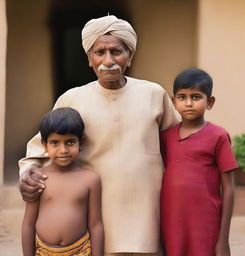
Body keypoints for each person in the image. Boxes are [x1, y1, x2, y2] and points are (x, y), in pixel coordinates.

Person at [19, 15, 180, 255]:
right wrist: (28, 173)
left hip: (146, 211)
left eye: (116, 51)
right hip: (97, 213)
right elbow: (41, 147)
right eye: (100, 52)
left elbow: (179, 144)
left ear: (130, 56)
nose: (108, 60)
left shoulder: (154, 94)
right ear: (89, 59)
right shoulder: (72, 99)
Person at [160, 68, 238, 256]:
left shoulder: (218, 136)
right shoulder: (165, 137)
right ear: (173, 102)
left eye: (196, 97)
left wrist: (223, 239)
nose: (188, 103)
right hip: (172, 221)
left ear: (209, 102)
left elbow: (228, 188)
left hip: (206, 223)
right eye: (182, 97)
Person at [21, 107, 103, 256]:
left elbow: (95, 224)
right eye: (55, 143)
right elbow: (28, 224)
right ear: (45, 145)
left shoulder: (91, 179)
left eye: (70, 142)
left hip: (81, 250)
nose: (63, 150)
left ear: (81, 142)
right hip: (43, 251)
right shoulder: (39, 177)